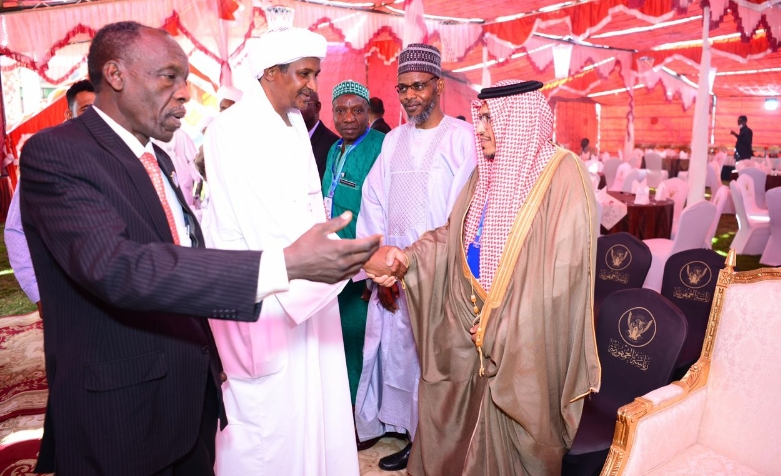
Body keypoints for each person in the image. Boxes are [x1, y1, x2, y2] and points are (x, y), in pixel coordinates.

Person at [19, 21, 379, 476]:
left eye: (185, 78)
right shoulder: (57, 152)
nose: (186, 93)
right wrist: (282, 265)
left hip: (188, 393)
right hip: (122, 408)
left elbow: (186, 248)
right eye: (170, 77)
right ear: (116, 75)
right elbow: (118, 268)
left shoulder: (156, 157)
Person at [364, 79, 601, 475]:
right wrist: (407, 258)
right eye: (481, 118)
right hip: (466, 324)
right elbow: (453, 234)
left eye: (491, 119)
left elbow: (563, 276)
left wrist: (502, 325)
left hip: (519, 340)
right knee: (453, 426)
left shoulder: (563, 176)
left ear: (518, 121)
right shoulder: (484, 172)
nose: (481, 128)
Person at [202, 28, 361, 475]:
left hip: (305, 291)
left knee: (313, 409)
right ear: (270, 72)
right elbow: (268, 228)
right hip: (266, 293)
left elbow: (309, 212)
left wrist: (342, 257)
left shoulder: (292, 126)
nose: (313, 85)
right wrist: (352, 260)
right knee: (267, 424)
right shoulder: (234, 129)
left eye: (316, 74)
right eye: (304, 74)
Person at [353, 43, 478, 471]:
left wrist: (427, 268)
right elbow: (373, 203)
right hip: (393, 272)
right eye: (402, 88)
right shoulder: (392, 141)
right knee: (397, 354)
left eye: (418, 86)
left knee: (432, 359)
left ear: (439, 86)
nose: (409, 96)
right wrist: (379, 272)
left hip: (439, 274)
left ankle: (427, 440)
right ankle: (400, 427)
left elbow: (464, 215)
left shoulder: (462, 140)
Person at [5, 79, 96, 316]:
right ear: (69, 114)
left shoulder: (116, 155)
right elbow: (16, 230)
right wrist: (36, 291)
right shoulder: (44, 160)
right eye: (86, 110)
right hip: (64, 287)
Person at [321, 80, 385, 413]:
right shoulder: (334, 149)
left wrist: (373, 273)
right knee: (337, 342)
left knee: (358, 341)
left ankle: (359, 418)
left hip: (362, 268)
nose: (348, 118)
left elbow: (385, 212)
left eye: (357, 110)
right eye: (341, 111)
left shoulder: (380, 147)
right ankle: (342, 413)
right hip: (333, 264)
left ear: (368, 112)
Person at [303, 90, 340, 179]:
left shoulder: (333, 144)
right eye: (294, 106)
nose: (296, 111)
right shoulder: (289, 139)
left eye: (303, 103)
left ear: (317, 107)